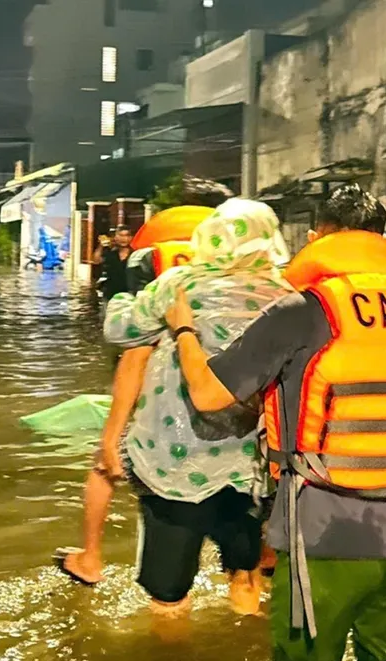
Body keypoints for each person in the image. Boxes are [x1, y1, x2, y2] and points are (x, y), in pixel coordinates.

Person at [165, 184, 386, 661]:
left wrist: (184, 328)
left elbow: (209, 393)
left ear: (318, 235)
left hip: (325, 538)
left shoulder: (304, 309)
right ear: (383, 239)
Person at [98, 199, 291, 616]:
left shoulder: (179, 284)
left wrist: (123, 295)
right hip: (251, 467)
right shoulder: (287, 297)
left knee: (169, 595)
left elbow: (120, 330)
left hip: (172, 462)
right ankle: (246, 652)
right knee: (245, 572)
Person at [56, 179, 233, 588]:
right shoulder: (236, 261)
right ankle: (246, 573)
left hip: (164, 392)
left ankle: (91, 559)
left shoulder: (158, 257)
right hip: (228, 394)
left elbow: (136, 351)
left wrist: (112, 431)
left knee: (105, 465)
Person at [94, 226, 133, 303]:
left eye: (127, 235)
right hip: (110, 294)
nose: (124, 239)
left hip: (129, 295)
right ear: (115, 237)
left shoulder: (135, 254)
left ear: (131, 237)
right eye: (121, 235)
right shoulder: (110, 253)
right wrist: (101, 246)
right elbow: (96, 260)